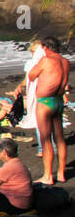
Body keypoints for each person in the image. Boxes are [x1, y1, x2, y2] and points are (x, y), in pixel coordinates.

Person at [29, 36, 70, 184]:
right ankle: (61, 173)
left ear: (45, 48)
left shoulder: (46, 61)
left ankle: (47, 176)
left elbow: (31, 75)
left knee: (46, 139)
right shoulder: (66, 62)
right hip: (58, 101)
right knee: (60, 138)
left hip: (45, 102)